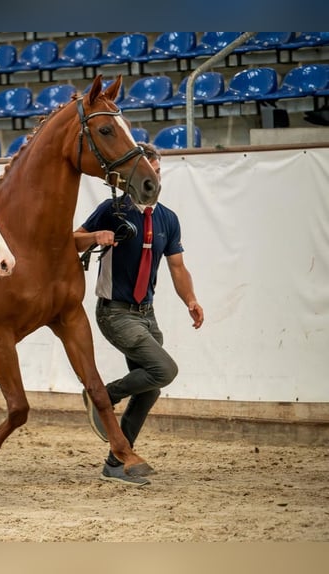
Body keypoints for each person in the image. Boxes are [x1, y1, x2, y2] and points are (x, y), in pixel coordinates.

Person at [73, 143, 204, 487]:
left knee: (151, 387)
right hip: (115, 312)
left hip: (147, 314)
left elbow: (177, 266)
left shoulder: (167, 219)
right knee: (164, 369)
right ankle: (102, 394)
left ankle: (117, 462)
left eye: (158, 172)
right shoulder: (112, 209)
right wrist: (93, 237)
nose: (154, 178)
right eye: (149, 171)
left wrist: (190, 299)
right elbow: (72, 240)